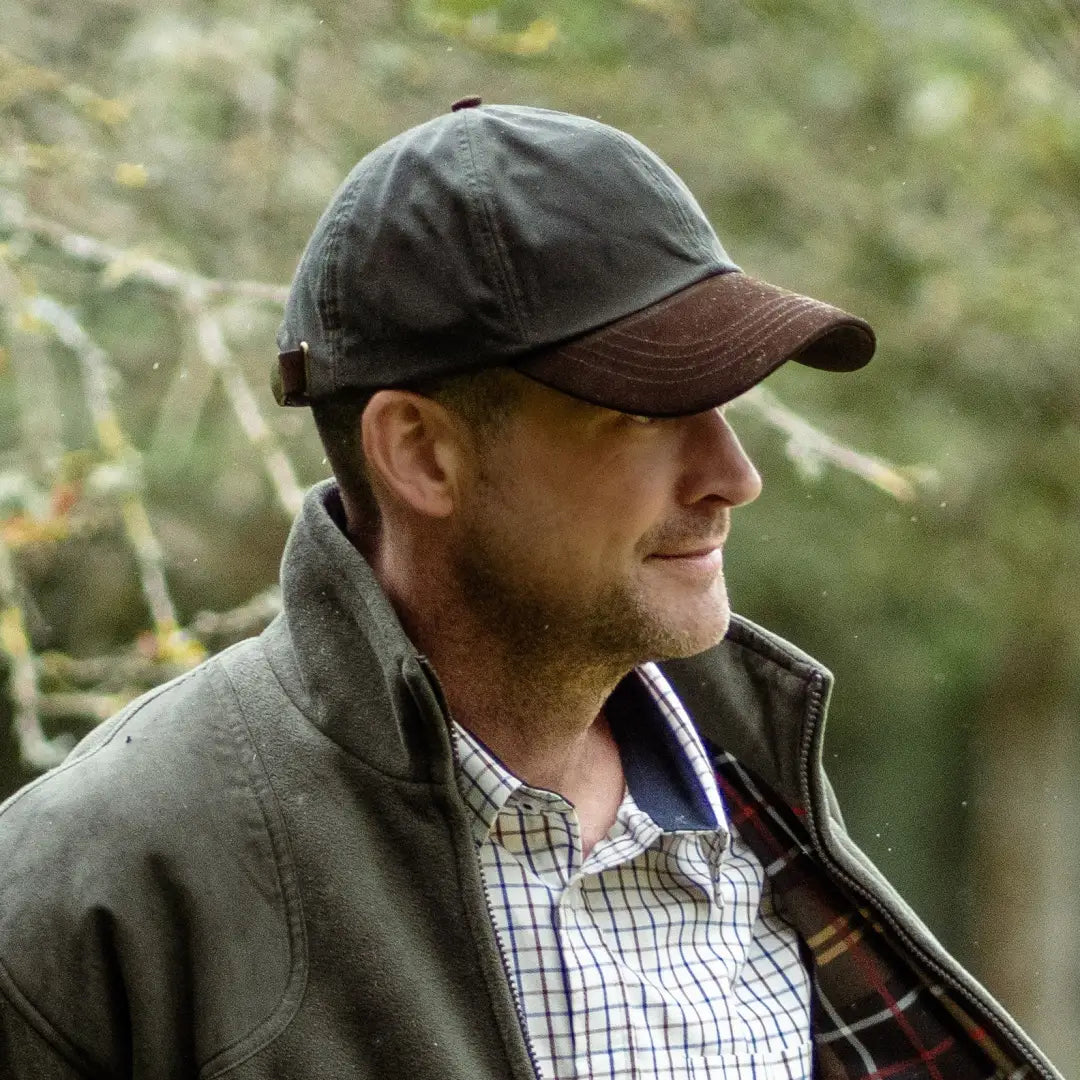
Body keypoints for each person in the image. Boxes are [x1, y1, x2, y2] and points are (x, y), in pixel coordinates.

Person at [0, 100, 1060, 1080]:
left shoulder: (764, 798)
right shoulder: (95, 890)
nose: (735, 476)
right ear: (421, 453)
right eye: (646, 413)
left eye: (728, 406)